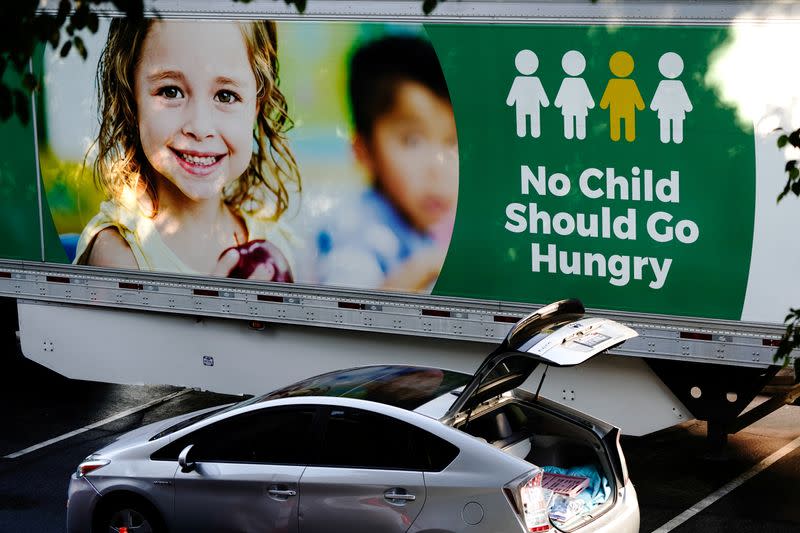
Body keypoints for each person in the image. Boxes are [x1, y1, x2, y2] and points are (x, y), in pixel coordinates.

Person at [74, 19, 300, 281]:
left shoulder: (275, 241)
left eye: (225, 96)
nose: (200, 127)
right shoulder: (120, 256)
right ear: (130, 99)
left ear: (256, 106)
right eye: (171, 91)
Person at [314, 35, 459, 292]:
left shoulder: (415, 228)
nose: (438, 167)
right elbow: (344, 319)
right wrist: (424, 268)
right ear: (365, 151)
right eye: (413, 141)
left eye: (452, 142)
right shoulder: (357, 235)